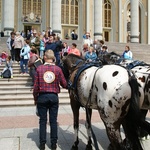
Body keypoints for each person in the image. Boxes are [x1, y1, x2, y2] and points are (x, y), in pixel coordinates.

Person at [33, 50, 67, 150]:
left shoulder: (39, 69)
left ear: (44, 58)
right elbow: (64, 84)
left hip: (42, 96)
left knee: (42, 121)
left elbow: (35, 87)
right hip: (53, 96)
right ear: (53, 58)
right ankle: (53, 144)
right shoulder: (57, 69)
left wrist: (35, 98)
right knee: (53, 121)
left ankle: (42, 144)